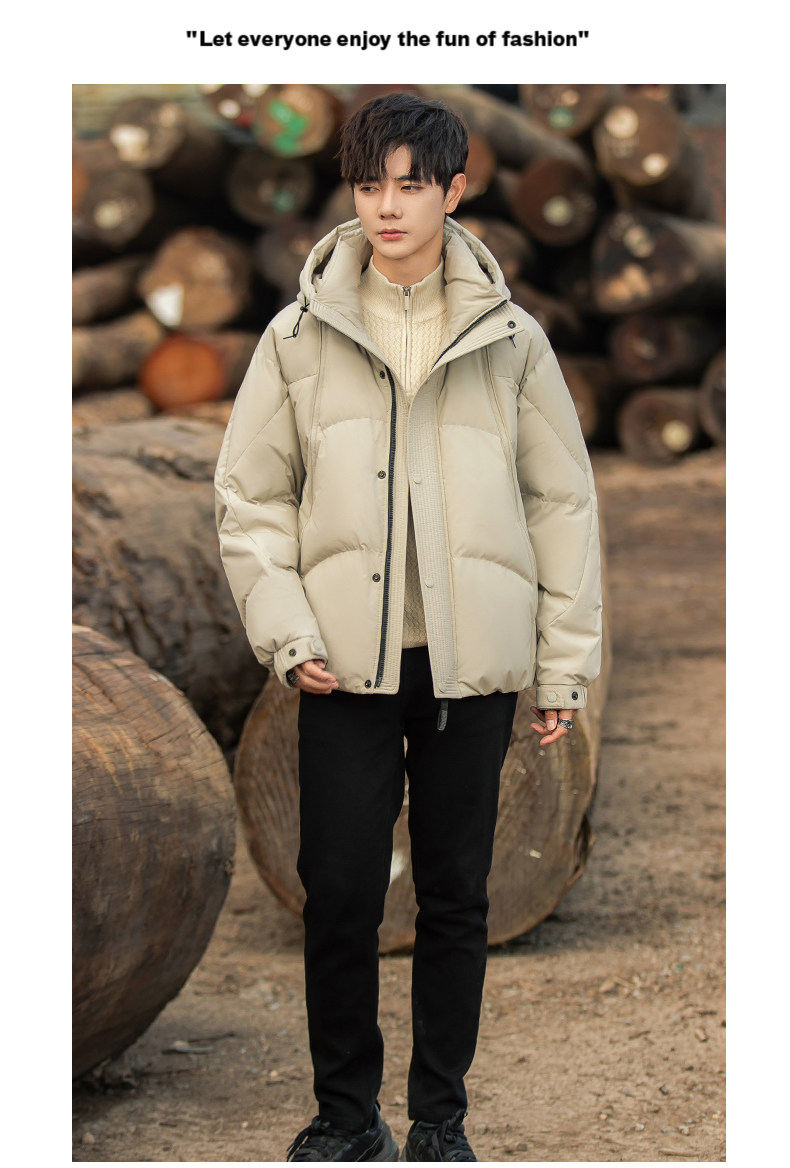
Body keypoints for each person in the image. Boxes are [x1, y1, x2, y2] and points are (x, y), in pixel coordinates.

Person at [215, 92, 602, 1163]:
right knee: (339, 893)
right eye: (368, 184)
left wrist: (562, 668)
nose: (386, 206)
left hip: (470, 668)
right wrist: (290, 633)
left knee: (455, 893)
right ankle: (346, 1116)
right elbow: (249, 498)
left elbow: (562, 505)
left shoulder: (511, 340)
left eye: (410, 185)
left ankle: (439, 1117)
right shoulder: (297, 336)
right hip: (343, 666)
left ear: (454, 191)